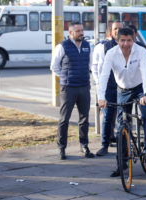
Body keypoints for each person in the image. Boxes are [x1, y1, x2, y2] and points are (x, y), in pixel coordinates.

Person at [98, 27, 146, 177]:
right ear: (117, 40)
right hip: (122, 90)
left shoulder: (140, 51)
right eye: (122, 40)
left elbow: (145, 72)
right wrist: (101, 97)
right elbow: (104, 76)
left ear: (134, 39)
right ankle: (121, 163)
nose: (125, 44)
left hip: (141, 87)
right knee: (121, 127)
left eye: (129, 40)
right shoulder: (111, 53)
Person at [50, 22, 94, 160]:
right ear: (70, 33)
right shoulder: (62, 46)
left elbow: (90, 65)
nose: (81, 33)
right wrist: (65, 77)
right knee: (64, 119)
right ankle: (62, 148)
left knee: (84, 118)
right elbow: (54, 66)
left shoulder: (87, 46)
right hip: (68, 88)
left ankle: (84, 145)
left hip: (84, 87)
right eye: (78, 31)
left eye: (82, 30)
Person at [92, 21, 123, 156]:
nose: (118, 31)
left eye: (120, 29)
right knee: (107, 116)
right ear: (111, 31)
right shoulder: (102, 46)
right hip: (108, 87)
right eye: (115, 29)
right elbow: (95, 67)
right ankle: (104, 145)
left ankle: (123, 143)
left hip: (122, 86)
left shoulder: (127, 45)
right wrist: (99, 84)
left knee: (123, 117)